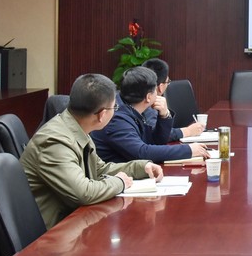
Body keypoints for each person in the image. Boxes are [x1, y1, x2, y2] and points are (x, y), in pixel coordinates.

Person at [20, 73, 164, 229]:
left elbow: (99, 169)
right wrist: (120, 183)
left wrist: (141, 167)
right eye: (114, 107)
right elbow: (83, 193)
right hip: (51, 233)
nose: (115, 111)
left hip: (72, 221)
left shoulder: (76, 128)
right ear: (102, 114)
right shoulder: (55, 142)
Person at [91, 67, 210, 164]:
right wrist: (188, 150)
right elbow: (141, 152)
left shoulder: (133, 106)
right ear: (148, 97)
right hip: (117, 177)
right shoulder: (116, 118)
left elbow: (156, 141)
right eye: (155, 91)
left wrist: (164, 116)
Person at [141, 58, 204, 141]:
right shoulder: (149, 104)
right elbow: (157, 135)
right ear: (160, 87)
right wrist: (188, 131)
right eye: (168, 82)